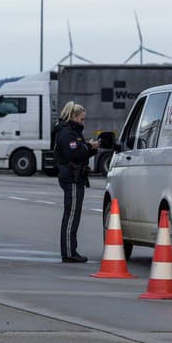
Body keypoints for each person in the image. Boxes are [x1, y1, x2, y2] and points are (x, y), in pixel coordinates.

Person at [53, 101, 98, 263]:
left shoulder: (72, 131)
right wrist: (88, 147)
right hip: (71, 176)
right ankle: (69, 252)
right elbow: (74, 153)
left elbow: (79, 152)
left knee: (74, 214)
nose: (83, 122)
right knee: (71, 215)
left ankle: (71, 250)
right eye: (81, 119)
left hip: (76, 176)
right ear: (73, 116)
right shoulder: (67, 132)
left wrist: (90, 148)